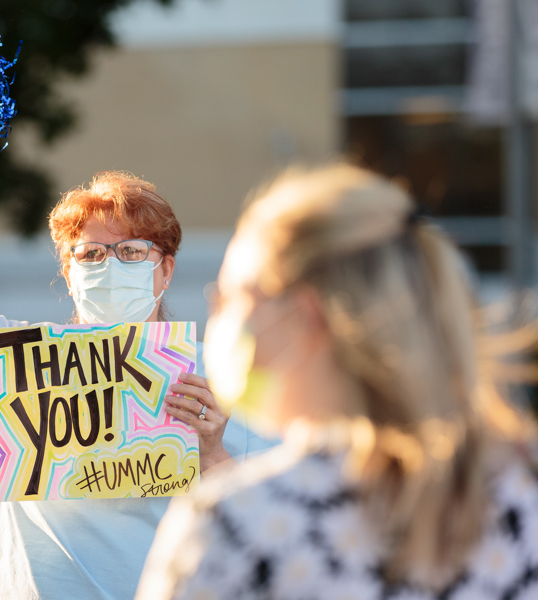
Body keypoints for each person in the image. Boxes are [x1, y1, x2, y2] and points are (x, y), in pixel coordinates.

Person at [0, 109, 273, 599]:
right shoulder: (13, 364)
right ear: (69, 273)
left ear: (165, 271)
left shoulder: (222, 373)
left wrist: (212, 452)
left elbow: (272, 527)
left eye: (131, 252)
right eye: (91, 255)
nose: (110, 266)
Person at [136, 163, 538, 600]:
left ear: (304, 315)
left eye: (232, 296)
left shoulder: (237, 523)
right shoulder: (520, 490)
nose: (218, 314)